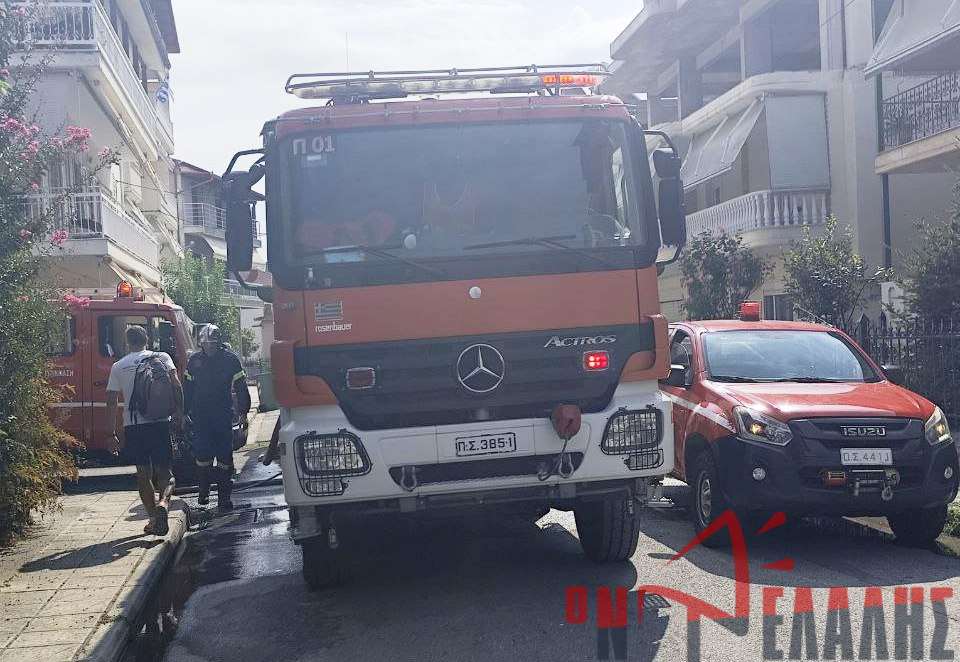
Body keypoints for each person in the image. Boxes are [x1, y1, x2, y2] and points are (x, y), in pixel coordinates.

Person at [106, 325, 183, 536]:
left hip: (134, 426)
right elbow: (176, 385)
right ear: (146, 339)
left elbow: (111, 402)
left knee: (143, 474)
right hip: (160, 423)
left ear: (127, 342)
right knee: (166, 473)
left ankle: (153, 519)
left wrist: (111, 434)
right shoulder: (163, 358)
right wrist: (179, 413)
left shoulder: (119, 366)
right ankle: (164, 503)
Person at [184, 325, 251, 511]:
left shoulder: (230, 360)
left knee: (224, 458)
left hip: (223, 415)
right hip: (201, 417)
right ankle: (204, 490)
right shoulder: (194, 361)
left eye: (213, 344)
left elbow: (241, 387)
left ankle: (224, 499)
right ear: (201, 344)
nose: (210, 347)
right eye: (206, 344)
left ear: (219, 343)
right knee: (202, 455)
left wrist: (244, 412)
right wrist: (183, 412)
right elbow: (187, 389)